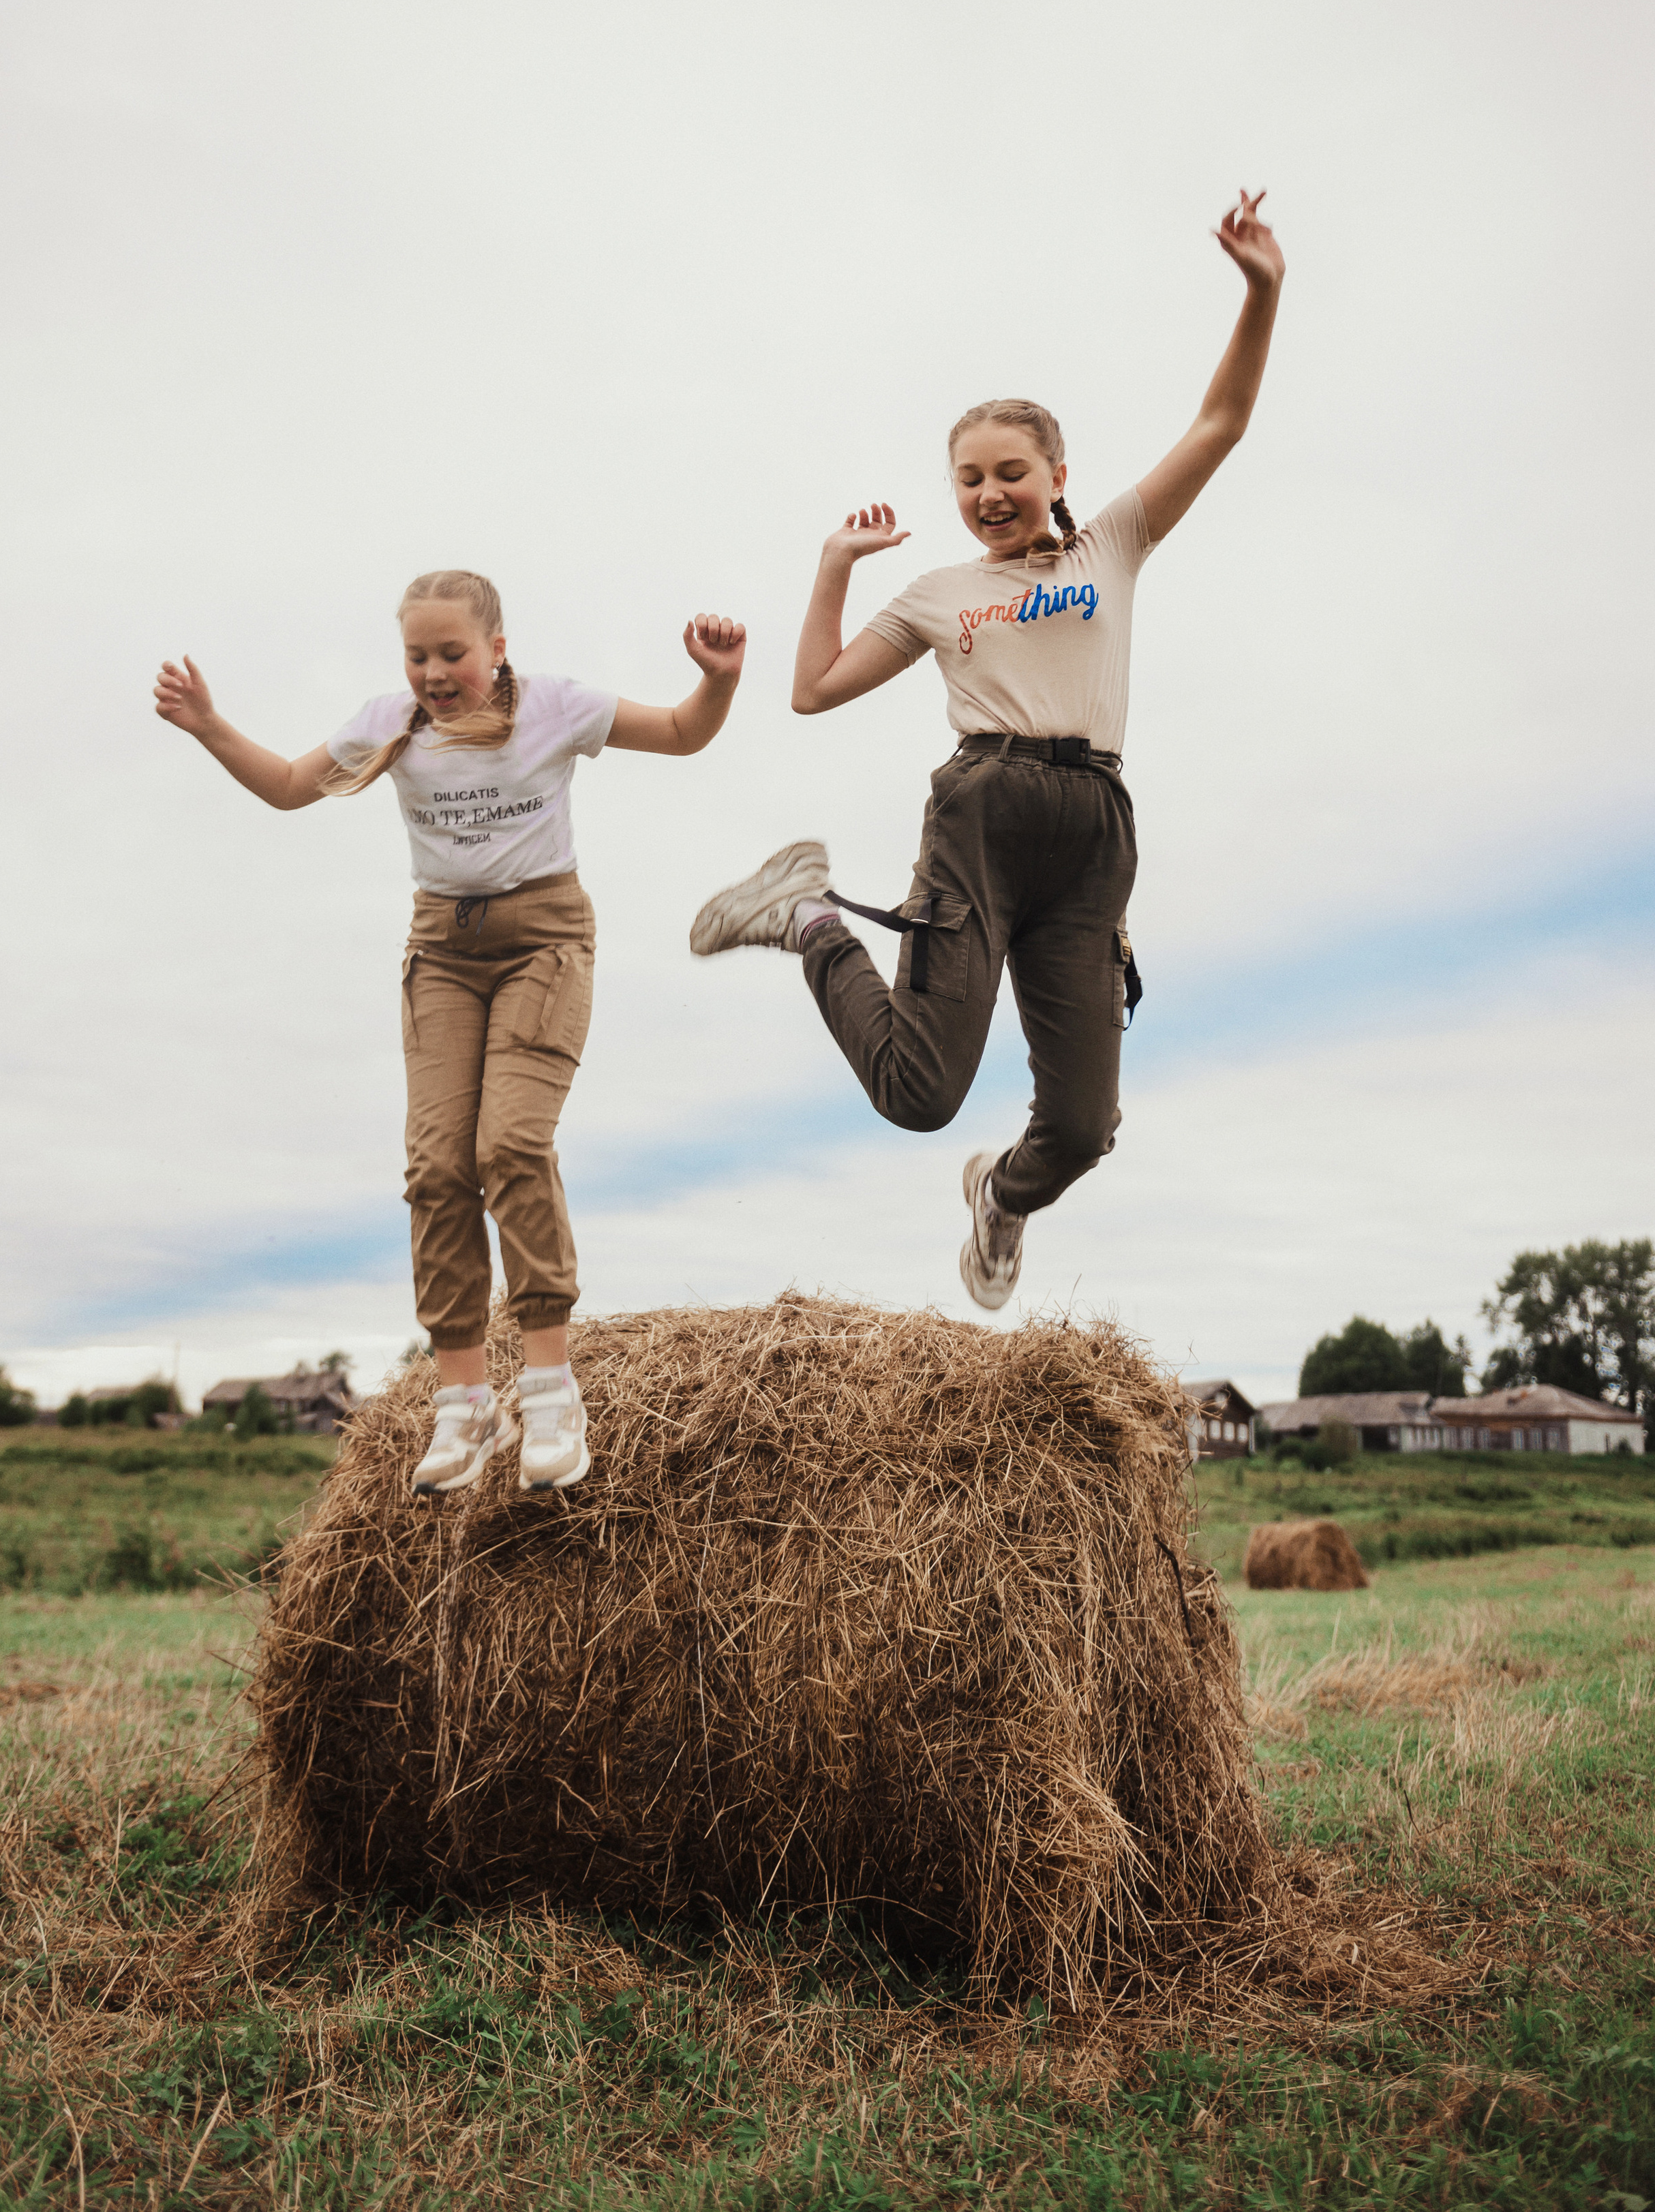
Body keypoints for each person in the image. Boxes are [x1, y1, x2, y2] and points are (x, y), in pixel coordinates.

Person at [690, 191, 1284, 1310]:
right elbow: (812, 690)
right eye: (968, 479)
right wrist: (835, 564)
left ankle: (1000, 1197)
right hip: (983, 815)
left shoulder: (1113, 542)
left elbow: (1222, 422)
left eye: (1010, 471)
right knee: (918, 1093)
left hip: (1093, 832)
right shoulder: (940, 591)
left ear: (1057, 472)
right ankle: (809, 915)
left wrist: (1262, 288)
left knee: (1084, 1127)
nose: (989, 494)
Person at [155, 573, 745, 1495]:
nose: (433, 673)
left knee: (509, 1144)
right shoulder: (391, 724)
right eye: (417, 656)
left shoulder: (554, 706)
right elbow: (288, 787)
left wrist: (718, 679)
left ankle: (549, 1393)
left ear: (497, 649)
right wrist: (208, 724)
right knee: (436, 1167)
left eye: (452, 654)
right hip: (442, 952)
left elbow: (680, 732)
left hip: (544, 941)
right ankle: (465, 1403)